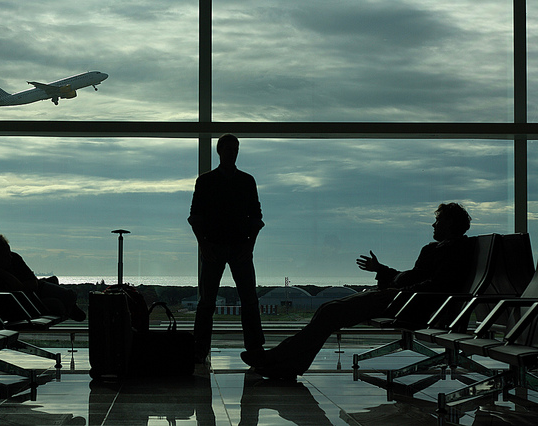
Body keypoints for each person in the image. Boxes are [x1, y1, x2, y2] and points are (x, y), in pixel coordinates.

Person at [240, 202, 473, 379]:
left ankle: (277, 359)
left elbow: (439, 286)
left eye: (438, 220)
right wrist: (380, 269)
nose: (434, 224)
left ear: (451, 224)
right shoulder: (436, 249)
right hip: (402, 298)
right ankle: (286, 363)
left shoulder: (455, 250)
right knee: (328, 309)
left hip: (409, 303)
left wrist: (399, 292)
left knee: (330, 312)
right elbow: (416, 278)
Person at [188, 133, 266, 363]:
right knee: (241, 299)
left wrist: (205, 245)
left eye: (235, 149)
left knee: (212, 302)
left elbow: (196, 217)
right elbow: (256, 218)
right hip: (225, 246)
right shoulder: (241, 181)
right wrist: (205, 244)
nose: (233, 153)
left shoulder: (210, 181)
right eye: (230, 149)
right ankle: (253, 348)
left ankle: (200, 349)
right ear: (220, 151)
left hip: (226, 246)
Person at [0, 228, 86, 321]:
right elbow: (21, 289)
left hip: (35, 293)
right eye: (6, 255)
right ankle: (69, 308)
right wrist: (2, 272)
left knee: (67, 294)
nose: (10, 256)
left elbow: (32, 284)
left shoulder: (14, 258)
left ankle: (69, 307)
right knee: (59, 303)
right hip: (25, 303)